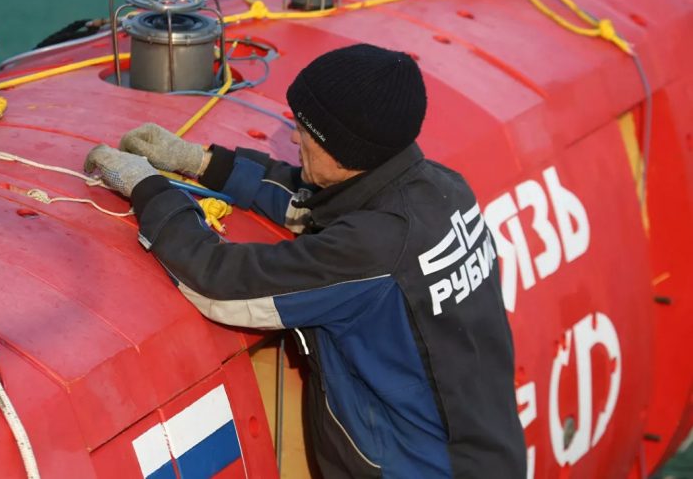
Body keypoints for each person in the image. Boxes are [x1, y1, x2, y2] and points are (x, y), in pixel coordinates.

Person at [84, 44, 526, 478]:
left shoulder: (373, 249)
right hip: (488, 454)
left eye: (305, 130)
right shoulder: (441, 188)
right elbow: (317, 204)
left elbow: (219, 285)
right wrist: (203, 163)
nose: (294, 138)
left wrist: (149, 189)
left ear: (346, 149)